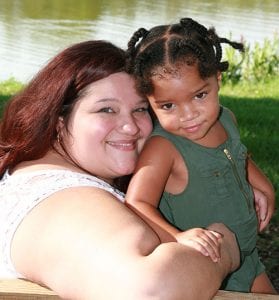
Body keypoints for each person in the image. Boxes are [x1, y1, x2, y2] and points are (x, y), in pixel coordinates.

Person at [0, 40, 240, 299]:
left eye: (139, 109)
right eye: (106, 109)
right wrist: (223, 246)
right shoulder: (65, 197)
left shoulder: (33, 176)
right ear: (59, 121)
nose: (131, 127)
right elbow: (150, 292)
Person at [125, 17, 277, 294]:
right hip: (208, 267)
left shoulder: (226, 118)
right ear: (149, 101)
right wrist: (178, 237)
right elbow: (136, 202)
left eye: (199, 96)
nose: (188, 115)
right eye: (168, 105)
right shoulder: (163, 148)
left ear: (217, 79)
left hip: (248, 258)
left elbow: (238, 154)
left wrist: (262, 184)